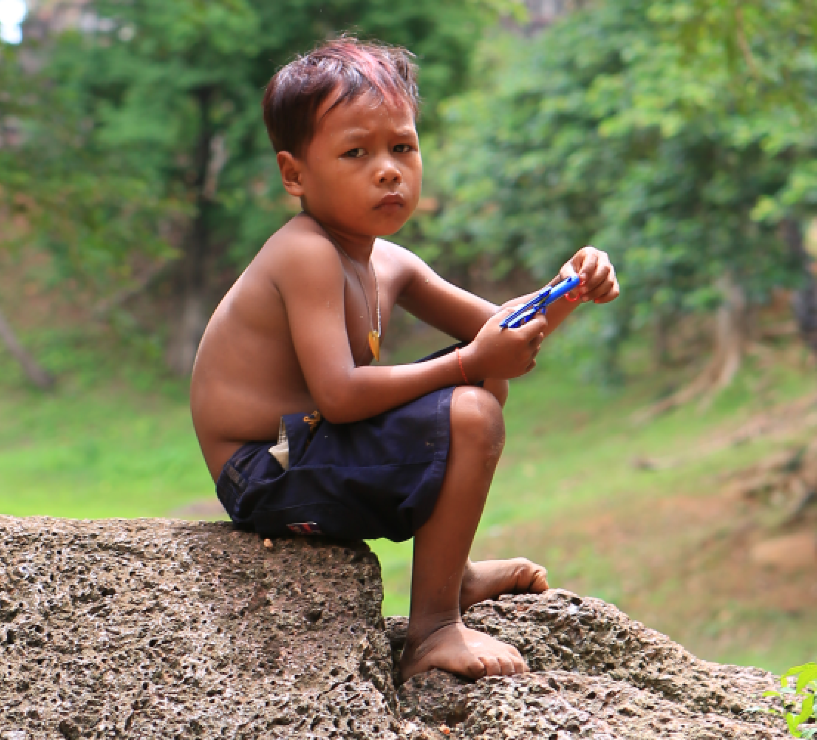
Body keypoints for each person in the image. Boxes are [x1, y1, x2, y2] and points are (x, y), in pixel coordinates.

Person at [189, 37, 619, 682]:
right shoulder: (305, 252)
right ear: (295, 173)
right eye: (355, 152)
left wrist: (569, 290)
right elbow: (337, 394)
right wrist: (471, 364)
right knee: (470, 406)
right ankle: (434, 630)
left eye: (403, 147)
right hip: (264, 466)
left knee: (481, 388)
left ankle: (451, 571)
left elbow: (498, 331)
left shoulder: (388, 260)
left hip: (311, 441)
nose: (388, 169)